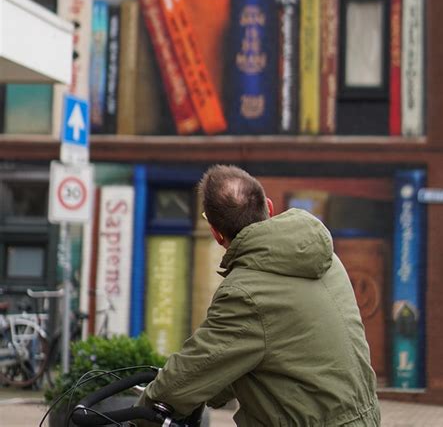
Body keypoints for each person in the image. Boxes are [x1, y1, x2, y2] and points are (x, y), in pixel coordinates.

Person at [135, 164, 380, 426]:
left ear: (216, 233)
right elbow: (264, 352)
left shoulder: (245, 293)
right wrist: (211, 389)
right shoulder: (327, 259)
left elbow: (196, 367)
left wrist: (140, 416)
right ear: (269, 208)